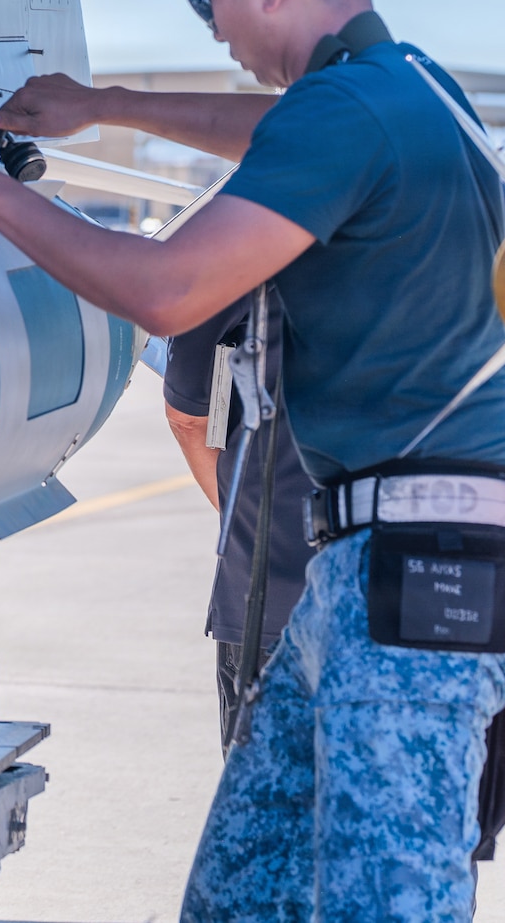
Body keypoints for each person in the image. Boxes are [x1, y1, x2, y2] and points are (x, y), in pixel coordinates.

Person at [0, 0, 505, 921]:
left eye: (205, 1)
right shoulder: (405, 87)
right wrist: (110, 104)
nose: (215, 31)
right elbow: (284, 135)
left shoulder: (349, 111)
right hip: (378, 559)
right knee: (241, 891)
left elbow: (165, 289)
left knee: (388, 904)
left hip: (412, 576)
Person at [161, 290, 315, 750]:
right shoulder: (491, 214)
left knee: (270, 804)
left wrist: (242, 518)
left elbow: (188, 417)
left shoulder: (250, 224)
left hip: (278, 577)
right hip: (442, 578)